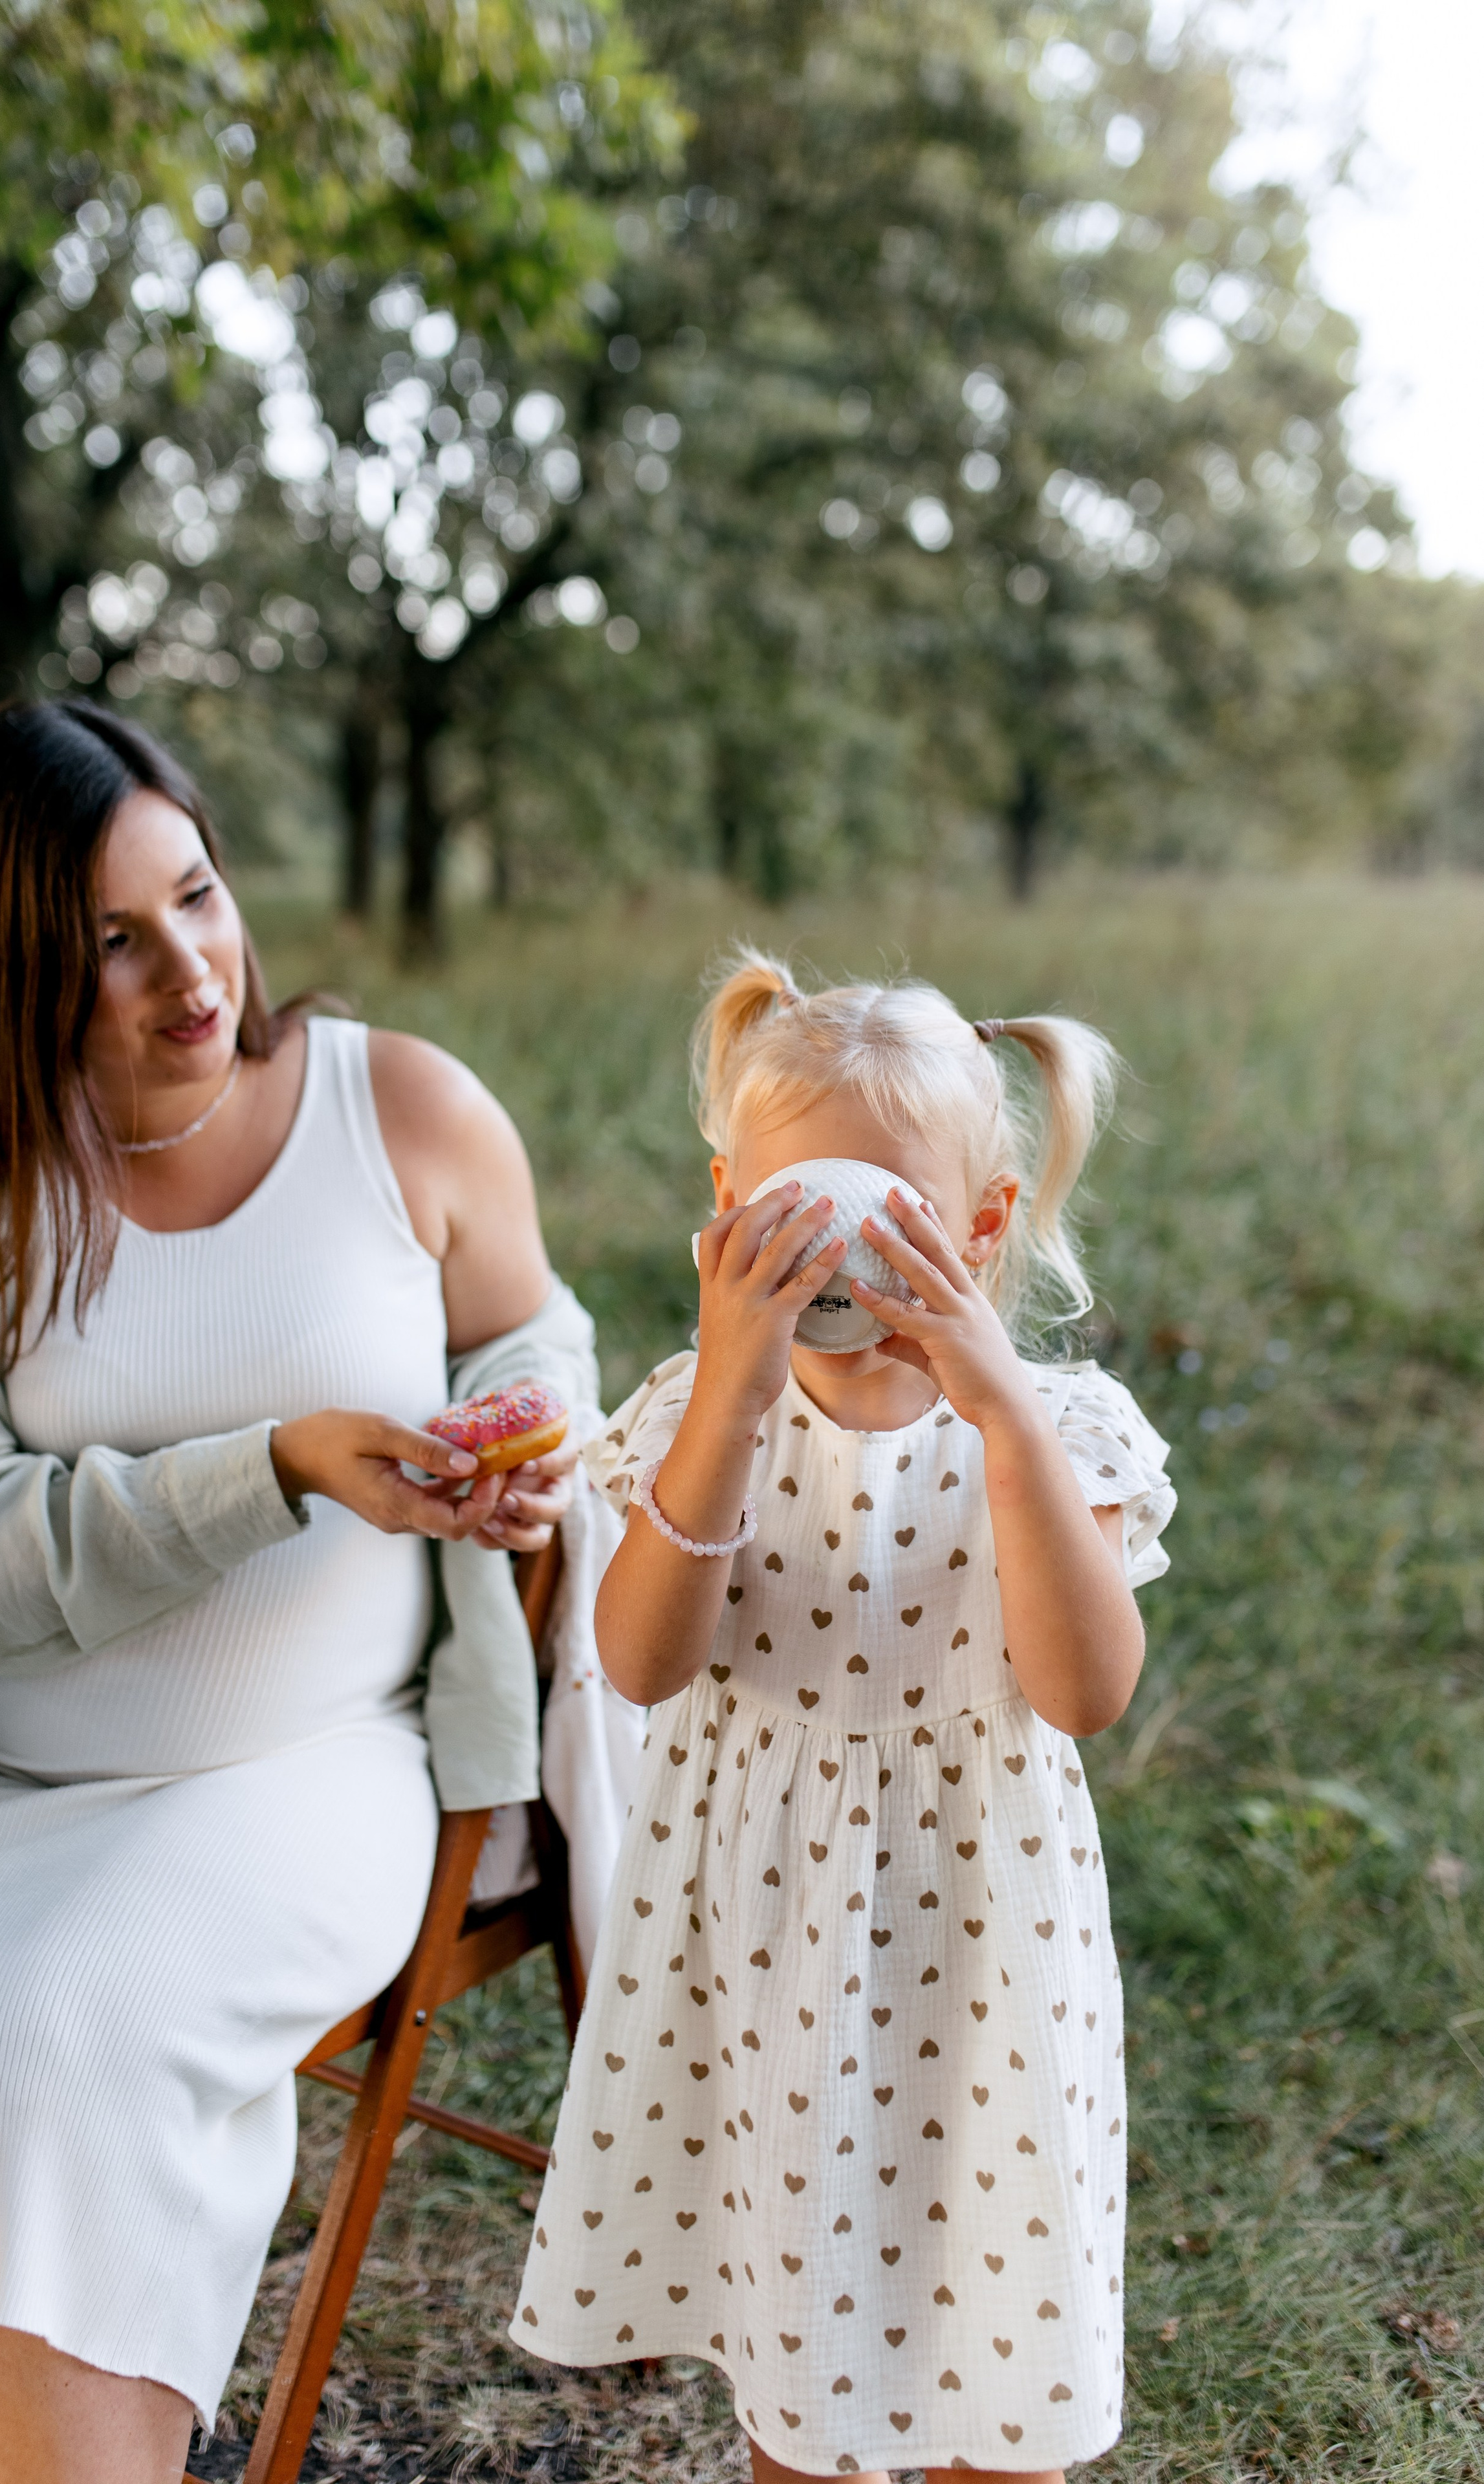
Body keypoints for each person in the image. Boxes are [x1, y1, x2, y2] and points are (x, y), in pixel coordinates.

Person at [0, 701, 595, 2484]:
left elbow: (528, 1325)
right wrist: (271, 1465)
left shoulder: (396, 1106)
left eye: (198, 894)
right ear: (4, 972)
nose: (190, 969)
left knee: (57, 2038)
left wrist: (537, 1424)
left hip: (305, 1773)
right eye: (111, 940)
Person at [511, 950, 1175, 2484]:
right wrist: (732, 1403)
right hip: (764, 1939)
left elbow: (1081, 1690)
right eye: (788, 1222)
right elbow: (643, 1664)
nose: (830, 1274)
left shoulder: (1052, 1428)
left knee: (994, 2372)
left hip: (979, 1943)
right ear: (725, 1211)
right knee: (794, 2374)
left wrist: (998, 1404)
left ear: (981, 1228)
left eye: (879, 1227)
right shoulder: (693, 1413)